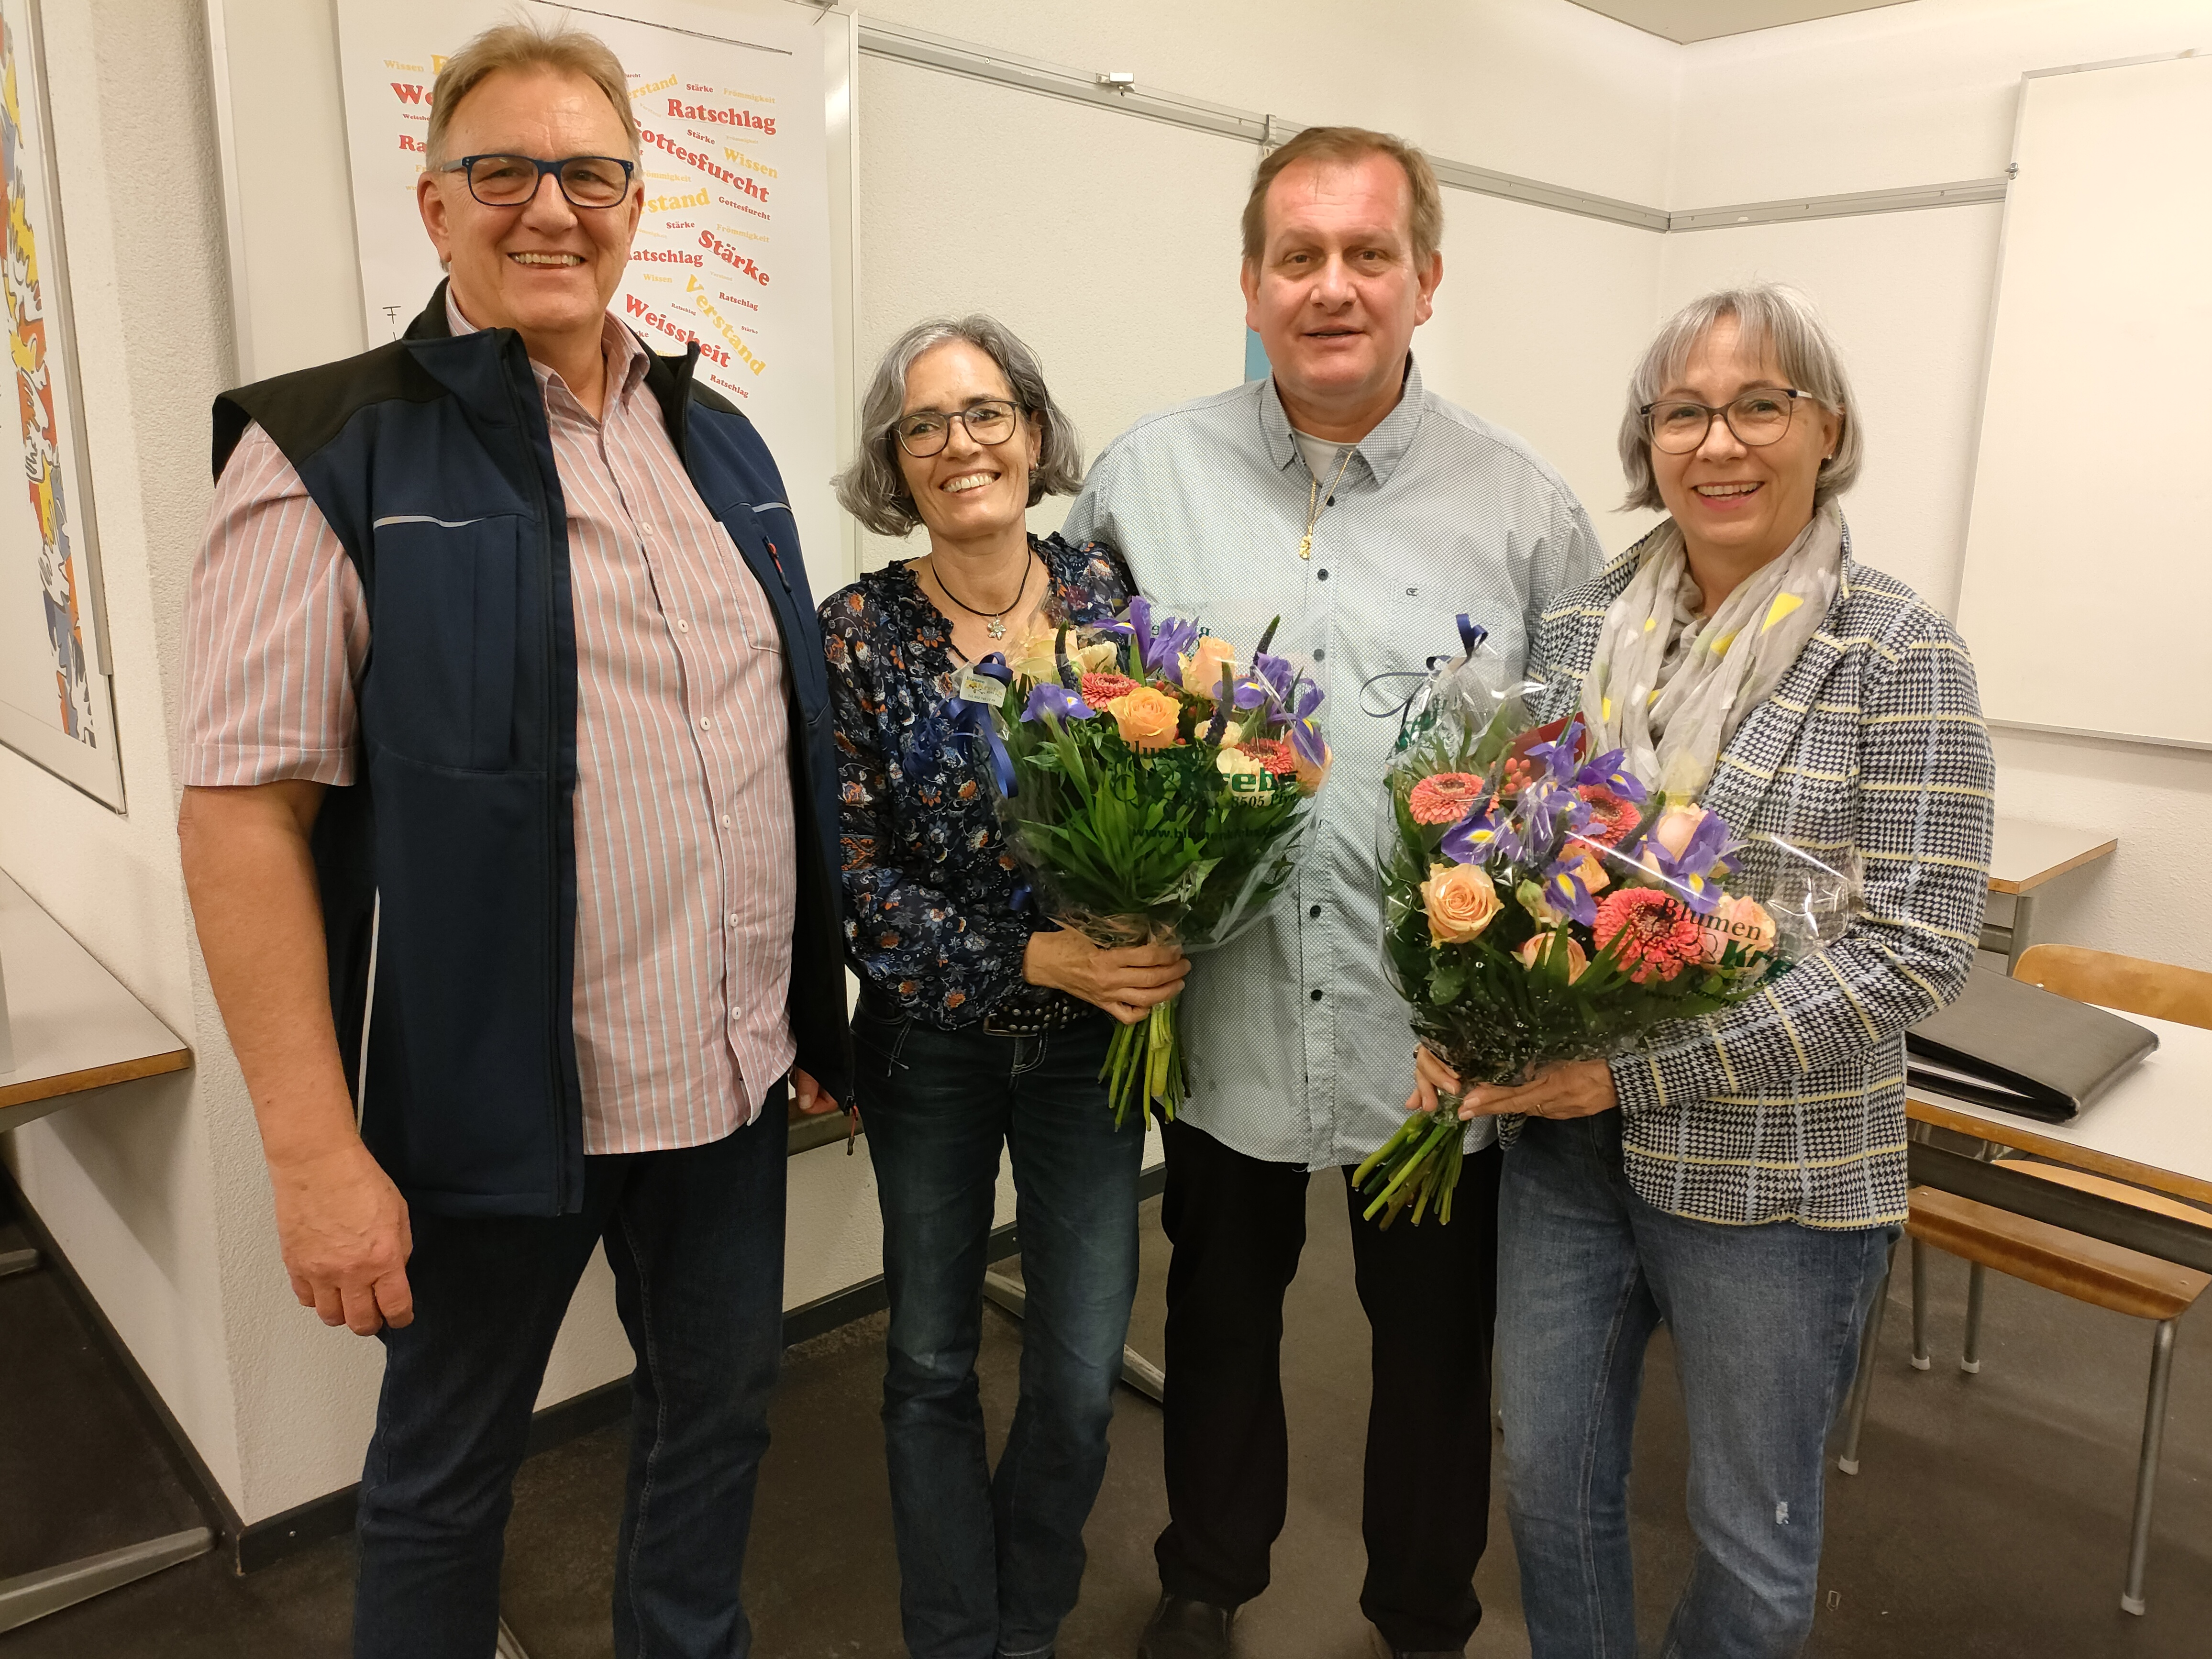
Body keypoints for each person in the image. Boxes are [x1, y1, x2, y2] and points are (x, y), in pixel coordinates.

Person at [174, 23, 848, 1659]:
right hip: (489, 1101)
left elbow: (773, 751)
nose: (551, 207)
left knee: (720, 1423)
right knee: (445, 1471)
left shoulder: (723, 444)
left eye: (590, 173)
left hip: (725, 1085)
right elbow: (243, 815)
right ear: (435, 205)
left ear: (636, 201)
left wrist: (805, 1017)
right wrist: (314, 1153)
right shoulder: (329, 451)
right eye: (503, 171)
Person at [1062, 126, 1604, 1659]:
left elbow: (1571, 789)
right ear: (1251, 280)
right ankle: (1206, 1574)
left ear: (1427, 278)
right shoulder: (1144, 481)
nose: (1332, 286)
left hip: (1434, 1041)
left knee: (1434, 1349)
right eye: (1297, 256)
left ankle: (1422, 1608)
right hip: (1218, 1010)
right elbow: (1085, 716)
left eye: (1369, 254)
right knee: (1221, 1316)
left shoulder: (1530, 514)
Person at [1416, 283, 1994, 1657]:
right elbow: (1519, 870)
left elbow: (1915, 950)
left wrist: (1626, 1068)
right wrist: (1468, 1017)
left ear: (1825, 427)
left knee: (1750, 1542)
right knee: (1548, 1487)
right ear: (1648, 439)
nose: (1718, 441)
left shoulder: (1897, 653)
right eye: (1684, 411)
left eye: (1758, 405)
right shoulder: (1581, 629)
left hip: (1778, 1181)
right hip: (1562, 1163)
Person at [820, 315, 1190, 1659]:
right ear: (895, 463)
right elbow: (849, 877)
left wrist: (1165, 919)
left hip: (1092, 1053)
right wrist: (1032, 952)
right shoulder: (855, 635)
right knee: (926, 1360)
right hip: (929, 1049)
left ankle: (1025, 1621)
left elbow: (1190, 795)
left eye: (984, 414)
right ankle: (954, 1635)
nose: (958, 444)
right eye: (924, 425)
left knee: (1082, 1376)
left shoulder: (1112, 607)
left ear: (1032, 434)